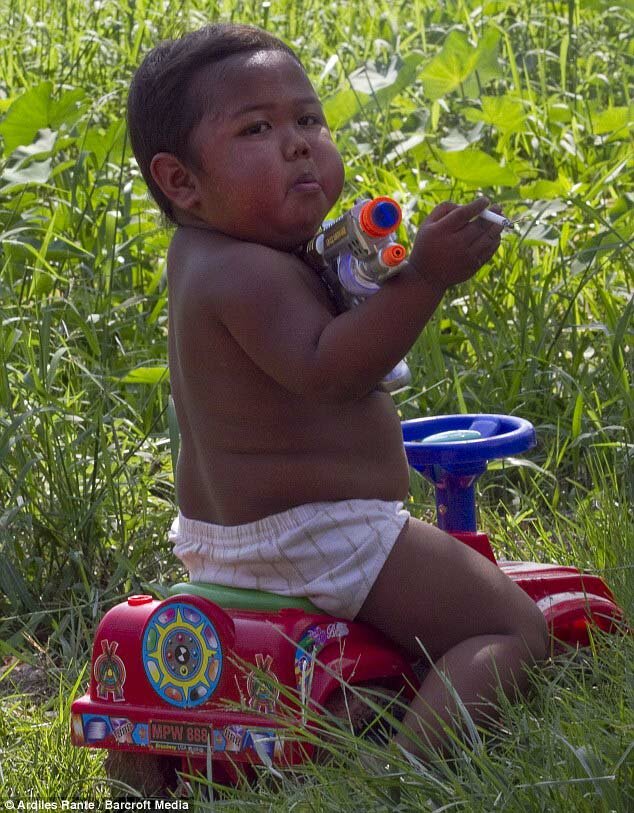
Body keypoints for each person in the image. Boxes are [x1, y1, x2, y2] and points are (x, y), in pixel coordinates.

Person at [127, 23, 548, 758]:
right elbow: (333, 371)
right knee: (510, 627)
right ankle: (407, 775)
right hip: (322, 535)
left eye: (309, 119)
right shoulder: (247, 272)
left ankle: (343, 712)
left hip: (226, 543)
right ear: (181, 180)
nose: (298, 143)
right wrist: (424, 278)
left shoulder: (210, 254)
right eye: (257, 128)